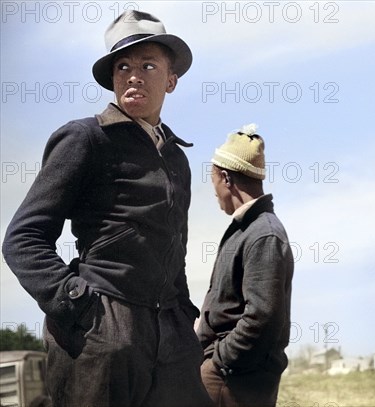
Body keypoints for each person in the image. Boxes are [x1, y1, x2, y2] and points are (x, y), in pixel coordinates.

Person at [2, 10, 212, 407]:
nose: (134, 75)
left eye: (148, 65)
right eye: (124, 66)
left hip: (172, 338)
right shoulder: (86, 138)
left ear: (171, 80)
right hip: (103, 333)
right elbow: (23, 238)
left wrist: (184, 317)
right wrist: (79, 305)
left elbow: (174, 250)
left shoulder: (177, 158)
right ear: (114, 79)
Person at [197, 124, 294, 407]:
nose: (213, 192)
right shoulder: (247, 229)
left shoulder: (263, 233)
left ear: (226, 178)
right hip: (230, 374)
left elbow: (262, 316)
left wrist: (220, 361)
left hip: (235, 380)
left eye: (212, 180)